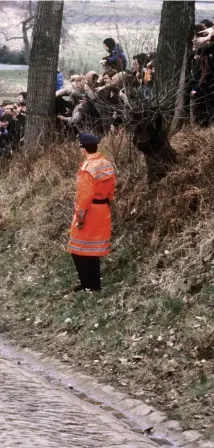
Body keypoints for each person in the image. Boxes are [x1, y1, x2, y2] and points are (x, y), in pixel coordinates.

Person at [67, 133, 116, 292]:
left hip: (90, 211)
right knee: (93, 251)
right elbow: (112, 189)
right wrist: (107, 203)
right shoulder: (106, 164)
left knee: (77, 249)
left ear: (83, 149)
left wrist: (80, 217)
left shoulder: (88, 169)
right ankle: (94, 285)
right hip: (103, 209)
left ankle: (87, 284)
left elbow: (84, 196)